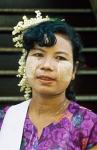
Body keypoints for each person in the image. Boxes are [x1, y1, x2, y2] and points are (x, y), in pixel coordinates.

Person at [0, 10, 97, 150]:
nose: (47, 66)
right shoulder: (5, 119)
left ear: (74, 70)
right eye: (38, 54)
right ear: (25, 61)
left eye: (60, 58)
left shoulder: (90, 126)